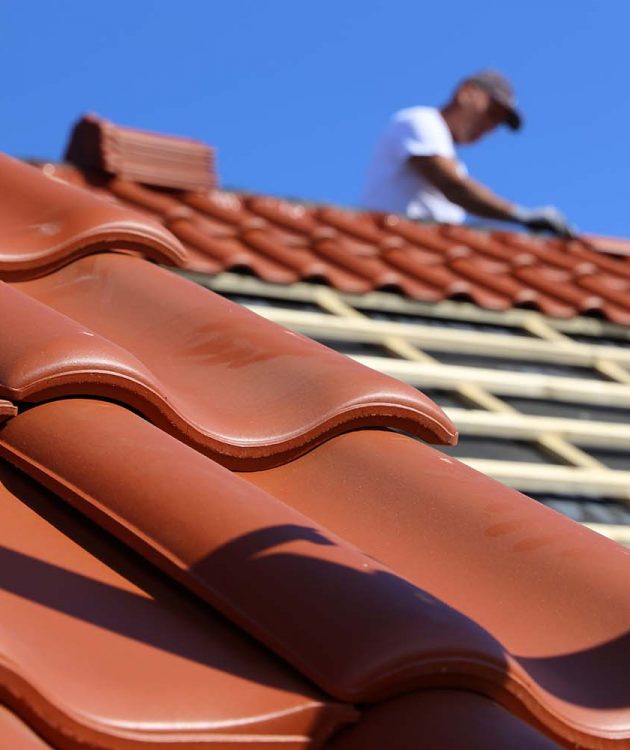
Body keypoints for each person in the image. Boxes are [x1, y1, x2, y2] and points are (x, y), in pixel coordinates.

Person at [360, 70, 572, 236]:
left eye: (497, 123)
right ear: (466, 92)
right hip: (391, 240)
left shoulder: (456, 163)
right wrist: (521, 215)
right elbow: (454, 187)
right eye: (491, 113)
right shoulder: (421, 121)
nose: (490, 127)